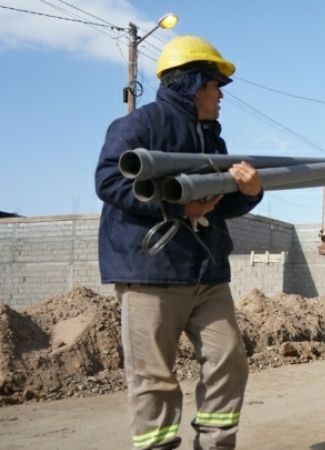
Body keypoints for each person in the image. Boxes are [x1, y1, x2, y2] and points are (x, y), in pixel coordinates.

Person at [95, 35, 263, 450]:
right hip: (150, 273)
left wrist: (251, 192)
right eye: (215, 86)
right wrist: (176, 210)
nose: (221, 97)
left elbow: (218, 208)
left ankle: (215, 444)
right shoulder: (139, 126)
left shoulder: (212, 140)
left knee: (229, 360)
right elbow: (109, 180)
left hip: (206, 274)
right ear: (192, 84)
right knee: (154, 378)